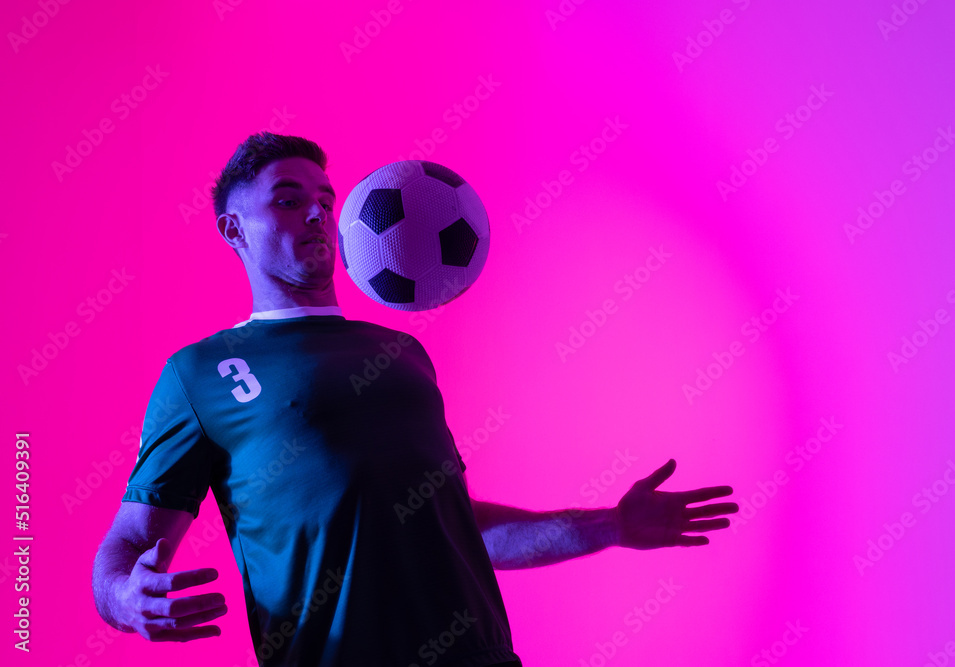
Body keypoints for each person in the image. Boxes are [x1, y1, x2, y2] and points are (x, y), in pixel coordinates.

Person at [91, 132, 739, 666]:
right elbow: (125, 546)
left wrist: (612, 526)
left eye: (325, 198)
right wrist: (128, 598)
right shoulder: (200, 372)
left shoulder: (400, 353)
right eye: (289, 201)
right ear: (234, 229)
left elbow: (455, 526)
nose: (317, 213)